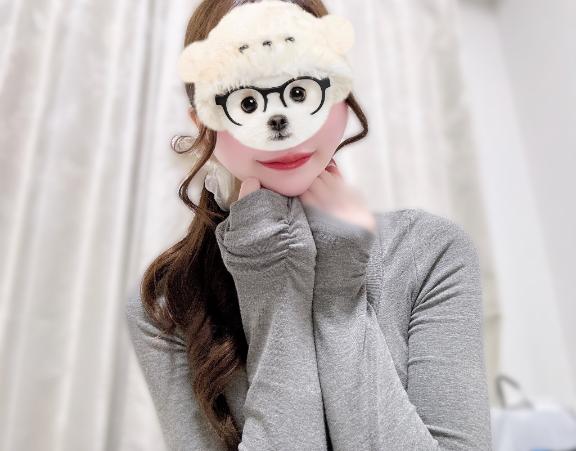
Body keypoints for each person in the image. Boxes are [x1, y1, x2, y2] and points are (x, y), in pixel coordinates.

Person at [124, 1, 493, 450]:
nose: (281, 126)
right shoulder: (167, 302)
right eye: (246, 100)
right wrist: (272, 285)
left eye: (300, 91)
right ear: (203, 121)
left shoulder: (429, 252)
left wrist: (338, 294)